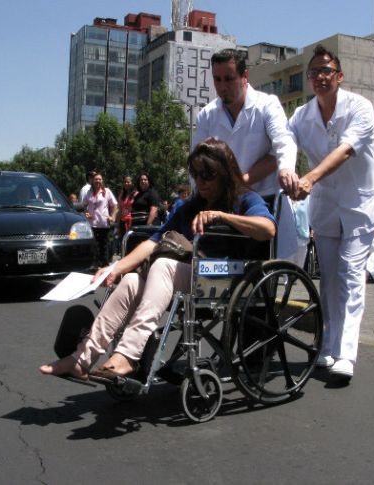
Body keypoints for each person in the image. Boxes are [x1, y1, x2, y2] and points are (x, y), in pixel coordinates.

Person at [39, 138, 277, 380]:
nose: (201, 181)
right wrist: (115, 267)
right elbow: (153, 242)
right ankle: (82, 358)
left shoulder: (245, 199)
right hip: (189, 273)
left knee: (163, 266)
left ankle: (128, 354)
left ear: (226, 173)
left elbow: (267, 229)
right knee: (131, 281)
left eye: (208, 174)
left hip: (224, 275)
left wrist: (222, 217)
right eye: (196, 174)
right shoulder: (189, 207)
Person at [288, 45, 374, 381]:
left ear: (339, 76)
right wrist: (288, 171)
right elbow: (286, 142)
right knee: (329, 278)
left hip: (360, 203)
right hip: (327, 204)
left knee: (350, 273)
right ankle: (326, 345)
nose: (320, 77)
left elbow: (346, 151)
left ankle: (346, 353)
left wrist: (309, 177)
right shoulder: (301, 116)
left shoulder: (360, 107)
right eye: (314, 72)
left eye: (326, 71)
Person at [194, 48, 302, 266]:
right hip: (221, 201)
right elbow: (196, 160)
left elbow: (284, 141)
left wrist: (286, 169)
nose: (222, 87)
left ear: (245, 76)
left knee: (257, 265)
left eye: (229, 79)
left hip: (262, 198)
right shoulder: (207, 115)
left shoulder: (266, 105)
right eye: (217, 79)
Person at [82, 172, 118, 267]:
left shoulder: (106, 191)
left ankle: (105, 265)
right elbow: (84, 205)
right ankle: (95, 266)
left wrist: (112, 217)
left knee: (104, 245)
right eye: (96, 179)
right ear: (93, 181)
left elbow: (114, 205)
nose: (98, 181)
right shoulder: (88, 192)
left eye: (100, 179)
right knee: (94, 245)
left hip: (103, 223)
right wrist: (86, 212)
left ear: (102, 181)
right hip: (92, 223)